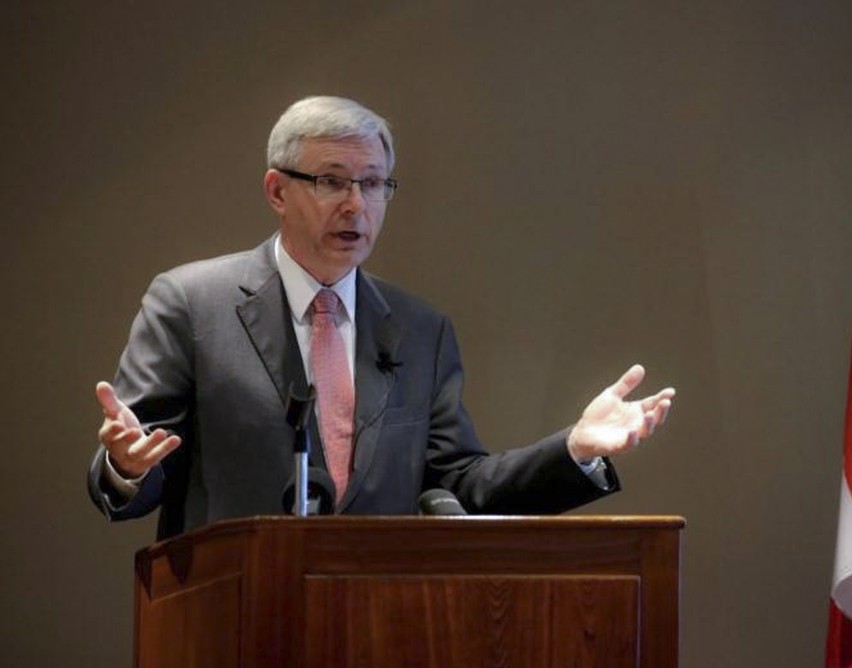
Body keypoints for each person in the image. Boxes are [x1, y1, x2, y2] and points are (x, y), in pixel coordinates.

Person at [88, 96, 675, 540]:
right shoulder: (191, 303)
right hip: (229, 617)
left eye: (372, 184)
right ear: (276, 191)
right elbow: (139, 460)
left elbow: (457, 485)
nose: (356, 204)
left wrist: (573, 449)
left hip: (377, 623)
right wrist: (124, 466)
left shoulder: (420, 330)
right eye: (331, 181)